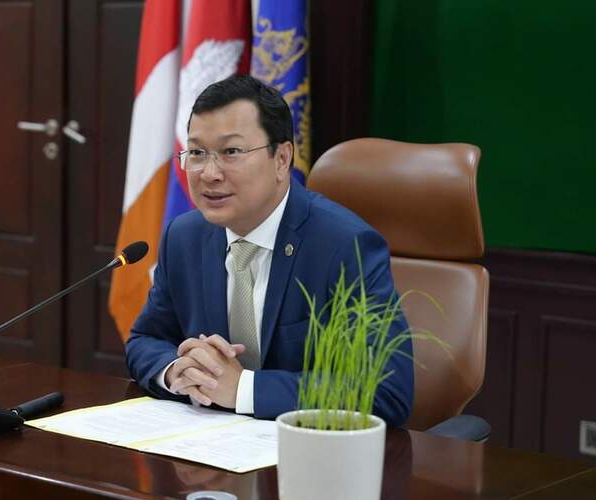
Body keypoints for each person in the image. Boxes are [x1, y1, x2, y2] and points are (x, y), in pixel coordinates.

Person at [125, 75, 413, 426]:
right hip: (204, 444)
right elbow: (146, 338)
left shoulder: (344, 244)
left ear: (281, 159)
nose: (209, 173)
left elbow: (386, 390)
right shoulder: (184, 237)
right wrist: (177, 370)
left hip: (303, 452)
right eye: (197, 153)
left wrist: (243, 388)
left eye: (231, 152)